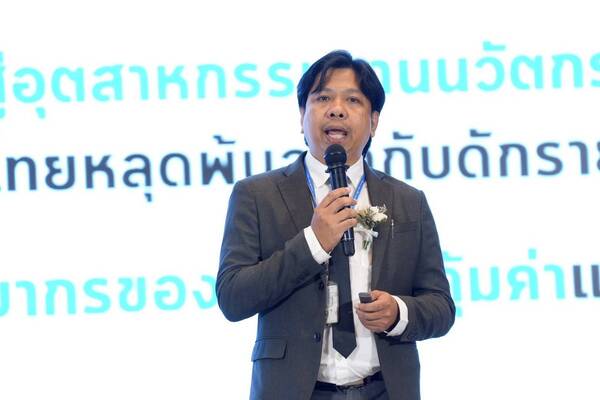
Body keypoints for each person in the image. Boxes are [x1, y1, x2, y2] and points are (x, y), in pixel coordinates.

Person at [217, 50, 455, 400]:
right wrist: (313, 243)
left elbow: (441, 307)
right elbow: (233, 297)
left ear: (374, 121)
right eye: (323, 98)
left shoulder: (408, 201)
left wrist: (399, 313)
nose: (337, 109)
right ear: (302, 115)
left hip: (384, 390)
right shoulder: (256, 195)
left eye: (353, 100)